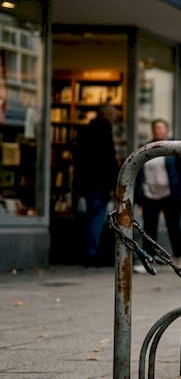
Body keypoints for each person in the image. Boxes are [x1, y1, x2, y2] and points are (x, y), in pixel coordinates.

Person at [134, 119, 181, 270]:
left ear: (167, 130)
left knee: (173, 227)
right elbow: (138, 171)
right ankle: (149, 259)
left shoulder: (173, 147)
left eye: (161, 128)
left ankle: (179, 257)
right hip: (149, 193)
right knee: (149, 228)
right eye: (156, 128)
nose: (158, 131)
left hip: (170, 194)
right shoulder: (146, 148)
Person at [73, 104, 120, 266]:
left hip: (85, 182)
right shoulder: (105, 132)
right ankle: (92, 253)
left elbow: (79, 159)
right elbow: (108, 161)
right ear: (108, 115)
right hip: (100, 183)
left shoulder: (85, 131)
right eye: (114, 115)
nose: (115, 118)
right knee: (97, 216)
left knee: (90, 216)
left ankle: (87, 251)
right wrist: (113, 184)